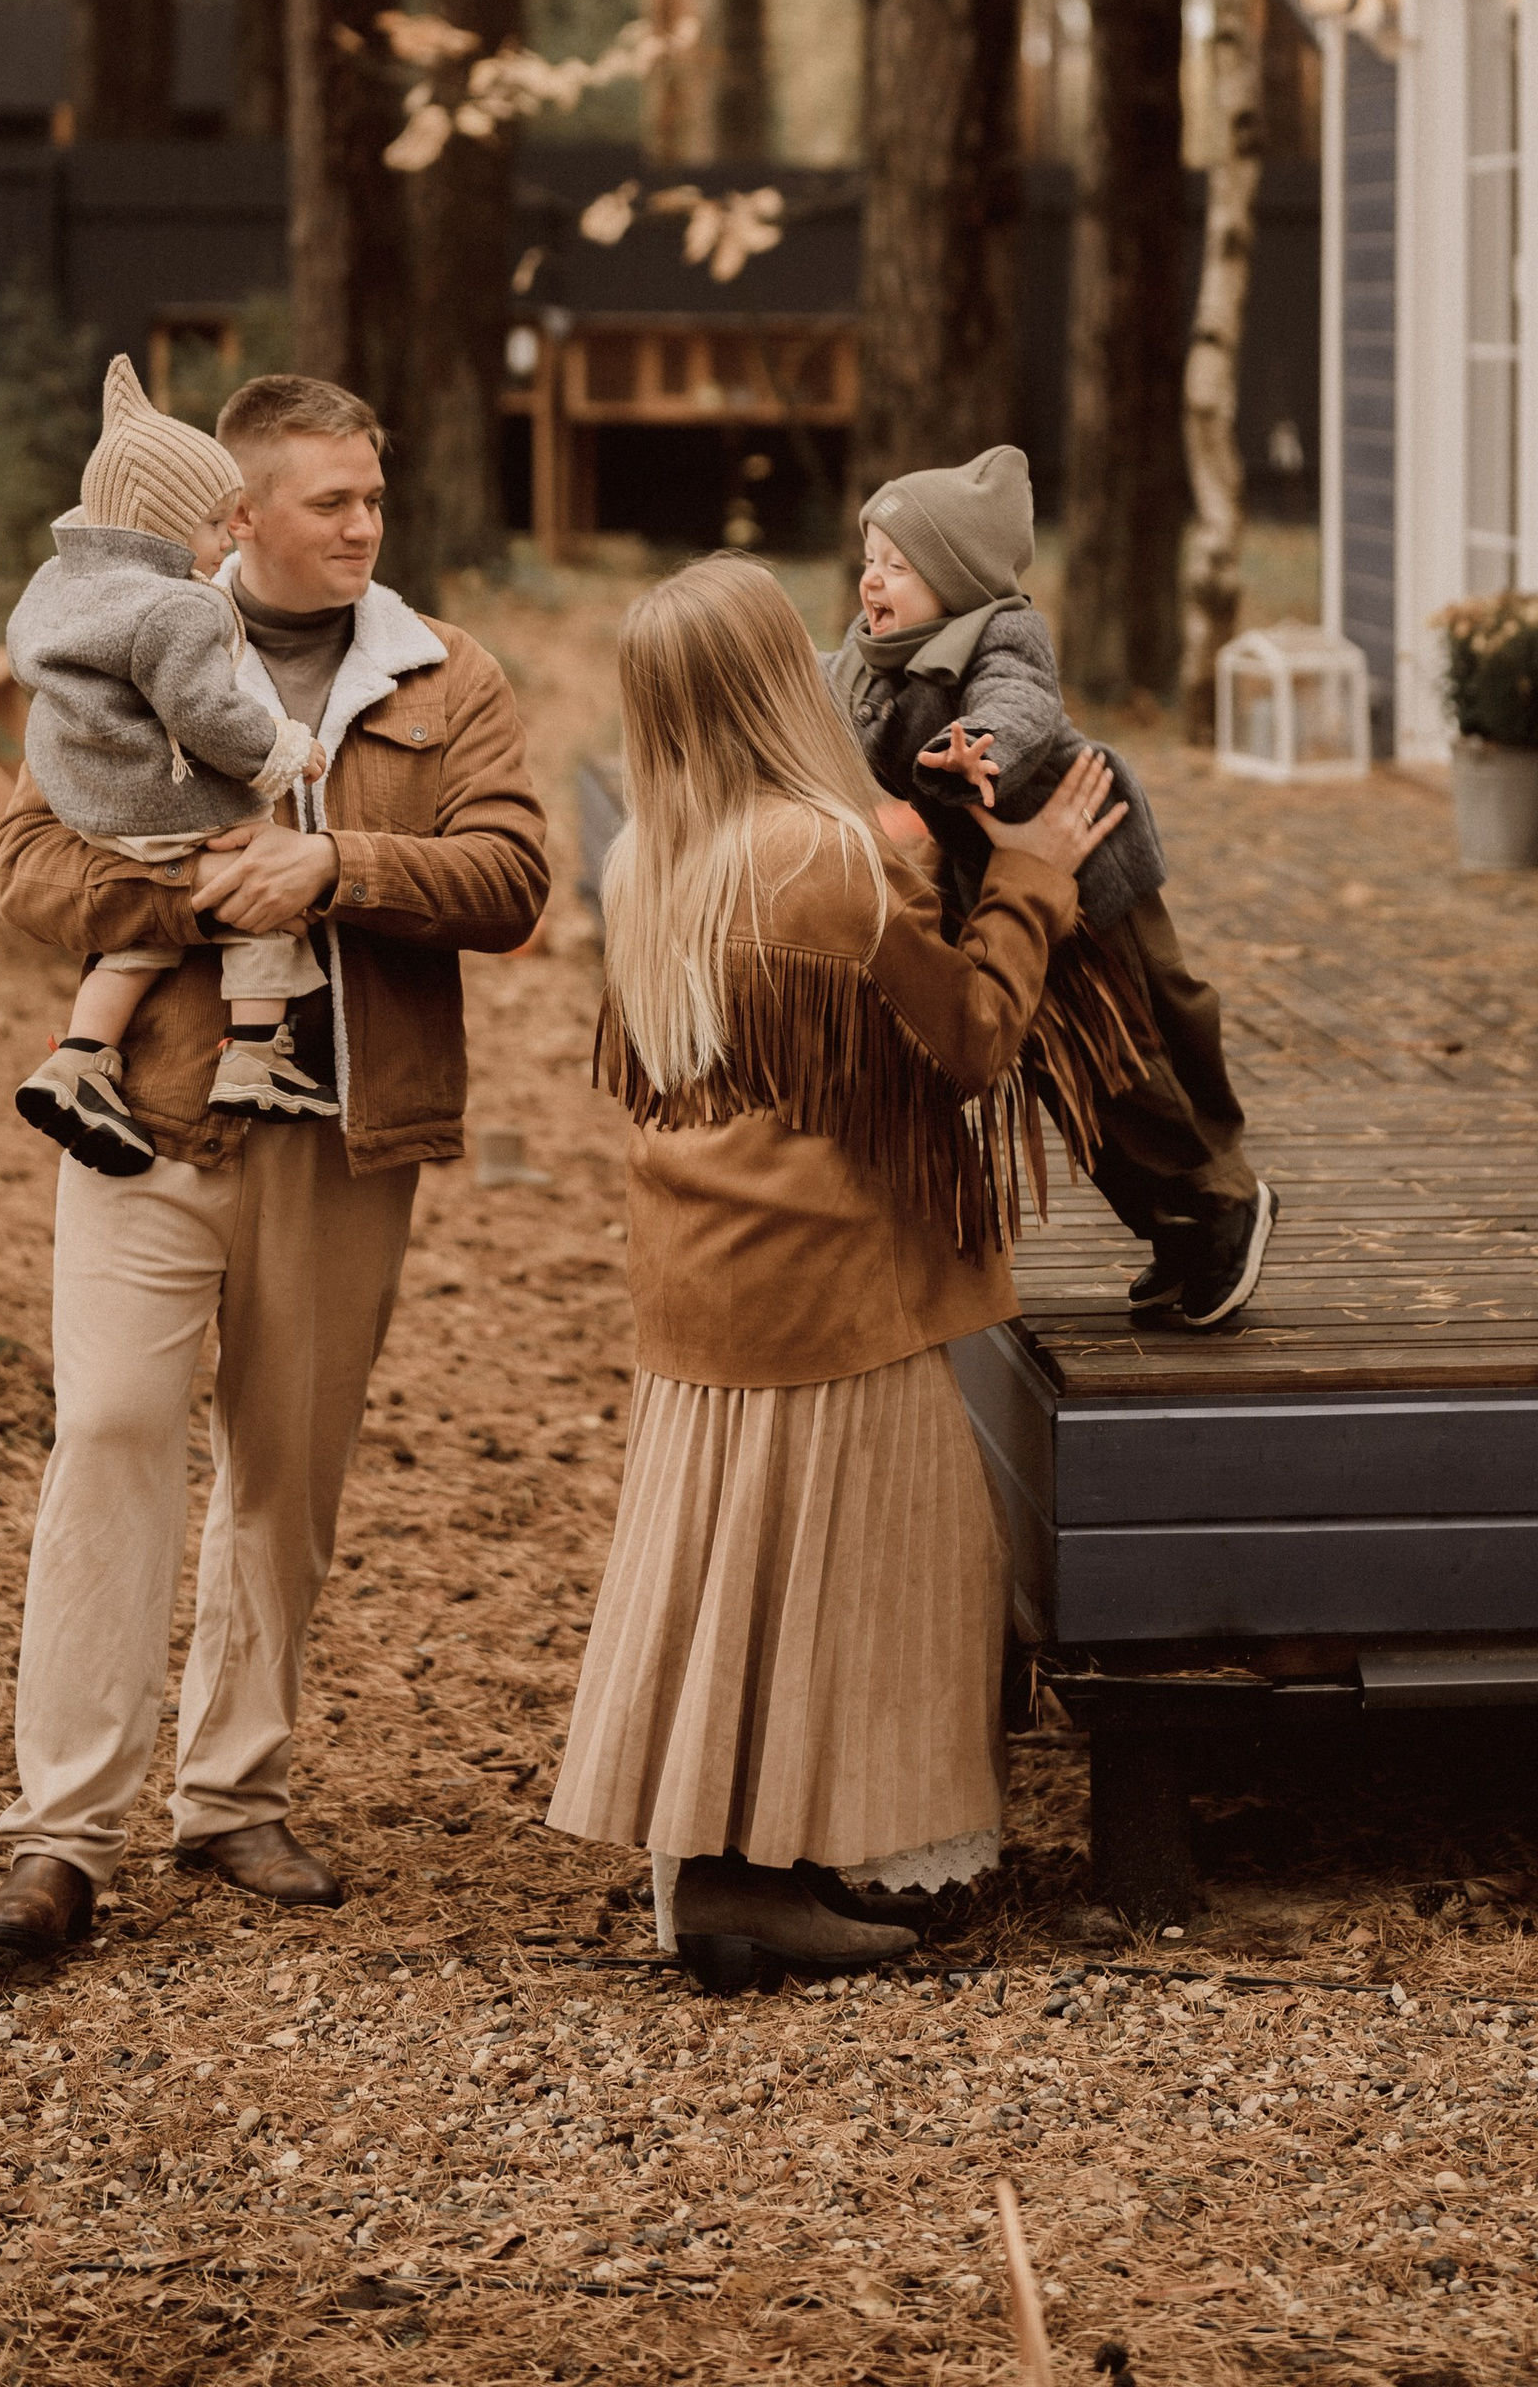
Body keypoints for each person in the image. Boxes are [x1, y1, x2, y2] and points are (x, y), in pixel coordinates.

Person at [0, 373, 549, 1960]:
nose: (366, 526)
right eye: (332, 502)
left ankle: (232, 1795)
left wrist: (340, 865)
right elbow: (26, 866)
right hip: (142, 1115)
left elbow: (514, 879)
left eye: (376, 498)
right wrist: (205, 904)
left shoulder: (447, 677)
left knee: (285, 1479)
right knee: (108, 1430)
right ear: (242, 515)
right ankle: (63, 1833)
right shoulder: (120, 637)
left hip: (345, 1133)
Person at [547, 551, 1123, 1992]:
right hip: (827, 1291)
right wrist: (1035, 881)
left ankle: (733, 1872)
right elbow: (973, 1037)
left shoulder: (648, 858)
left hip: (701, 1282)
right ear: (768, 688)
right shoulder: (817, 855)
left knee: (739, 1571)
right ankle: (762, 1887)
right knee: (859, 1571)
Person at [828, 443, 1277, 1332]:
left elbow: (1024, 706)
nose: (873, 582)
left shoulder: (999, 634)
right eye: (869, 561)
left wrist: (978, 746)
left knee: (1145, 1035)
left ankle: (1225, 1199)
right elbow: (834, 701)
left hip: (1094, 862)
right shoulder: (873, 659)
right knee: (1070, 1076)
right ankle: (1172, 1227)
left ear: (956, 577)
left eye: (898, 566)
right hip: (1000, 879)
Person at [5, 353, 334, 1172]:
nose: (226, 541)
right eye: (215, 524)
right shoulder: (176, 607)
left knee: (139, 944)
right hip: (168, 805)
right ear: (158, 521)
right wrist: (284, 751)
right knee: (262, 898)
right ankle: (256, 1056)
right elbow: (206, 716)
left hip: (92, 804)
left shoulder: (59, 582)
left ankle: (78, 1060)